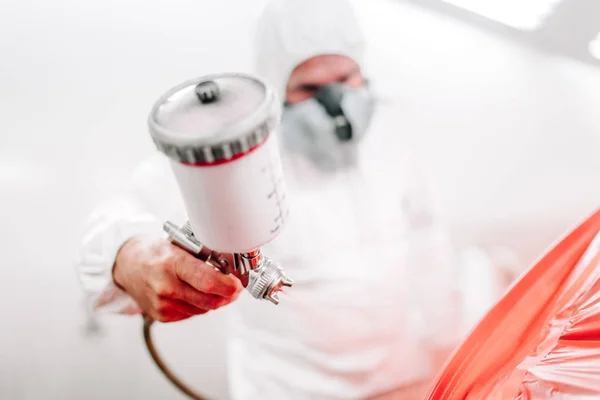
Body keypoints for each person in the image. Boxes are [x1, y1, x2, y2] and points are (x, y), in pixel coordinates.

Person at [77, 0, 463, 398]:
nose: (336, 106)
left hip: (406, 378)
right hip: (292, 389)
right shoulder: (237, 155)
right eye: (309, 89)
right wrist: (129, 260)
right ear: (277, 91)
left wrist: (450, 348)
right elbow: (109, 225)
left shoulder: (392, 134)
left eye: (347, 78)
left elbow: (428, 243)